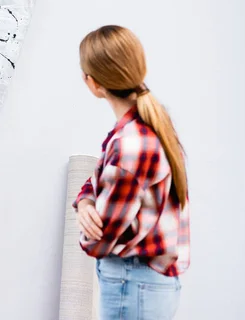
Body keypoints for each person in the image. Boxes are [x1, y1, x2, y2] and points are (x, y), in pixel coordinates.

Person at [72, 25, 190, 319]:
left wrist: (86, 222)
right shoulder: (142, 126)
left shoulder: (131, 143)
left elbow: (102, 236)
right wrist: (86, 202)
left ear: (93, 83)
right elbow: (98, 179)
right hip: (142, 281)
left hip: (133, 280)